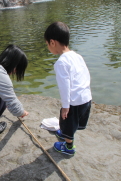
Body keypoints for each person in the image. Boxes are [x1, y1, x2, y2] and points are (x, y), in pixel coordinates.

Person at [44, 22, 92, 155]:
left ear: (52, 42)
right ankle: (67, 133)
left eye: (47, 44)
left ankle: (69, 147)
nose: (48, 47)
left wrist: (65, 106)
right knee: (73, 123)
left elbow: (64, 87)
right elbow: (86, 75)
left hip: (74, 102)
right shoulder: (77, 56)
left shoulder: (61, 63)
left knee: (67, 122)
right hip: (86, 98)